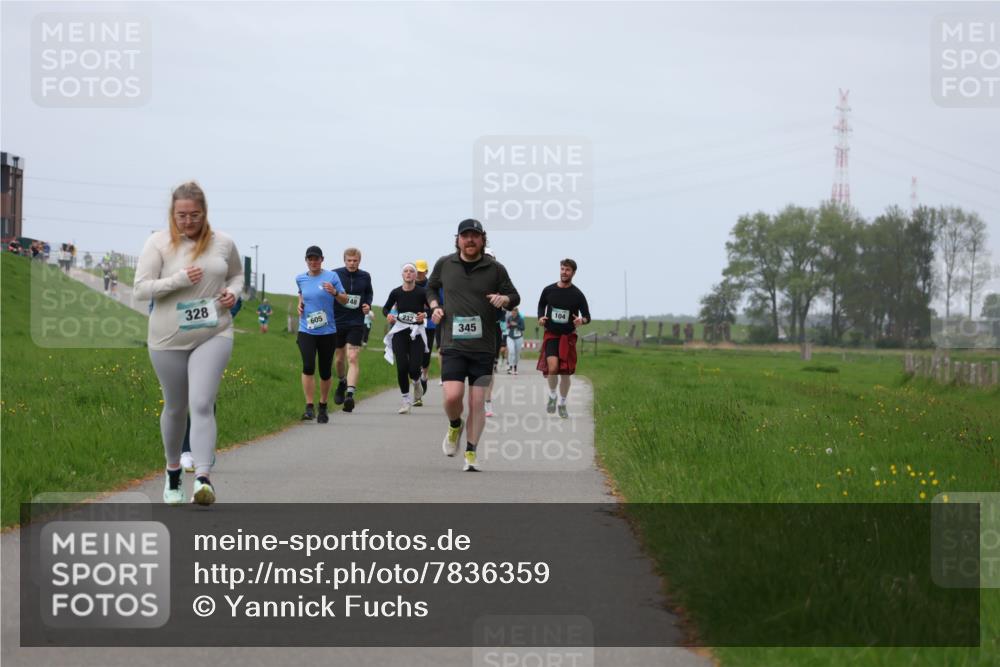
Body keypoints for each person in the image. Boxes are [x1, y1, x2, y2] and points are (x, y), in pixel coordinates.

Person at [133, 181, 243, 506]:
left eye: (194, 215)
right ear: (173, 213)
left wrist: (233, 293)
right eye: (182, 215)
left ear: (204, 212)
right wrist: (178, 280)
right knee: (176, 407)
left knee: (202, 403)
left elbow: (236, 275)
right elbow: (140, 289)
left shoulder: (224, 242)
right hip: (167, 337)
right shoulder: (158, 243)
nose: (188, 221)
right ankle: (172, 471)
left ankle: (203, 478)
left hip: (214, 331)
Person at [427, 219, 519, 471]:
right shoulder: (445, 264)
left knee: (477, 402)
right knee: (453, 396)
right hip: (454, 343)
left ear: (482, 239)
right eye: (465, 236)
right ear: (457, 239)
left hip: (483, 347)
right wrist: (435, 307)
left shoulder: (495, 269)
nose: (470, 240)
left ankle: (470, 453)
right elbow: (431, 287)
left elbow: (515, 296)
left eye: (475, 236)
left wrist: (504, 299)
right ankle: (454, 424)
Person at [296, 245, 348, 424]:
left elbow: (345, 298)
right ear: (306, 260)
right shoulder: (300, 278)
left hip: (327, 331)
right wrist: (300, 304)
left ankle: (323, 406)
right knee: (308, 365)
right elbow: (302, 295)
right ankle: (309, 407)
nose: (313, 262)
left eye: (316, 259)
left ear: (322, 260)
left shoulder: (331, 277)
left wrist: (334, 292)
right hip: (306, 329)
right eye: (310, 259)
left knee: (325, 371)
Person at [536, 258, 592, 419]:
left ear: (573, 273)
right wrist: (541, 317)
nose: (564, 272)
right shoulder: (549, 290)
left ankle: (562, 402)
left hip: (567, 338)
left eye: (567, 270)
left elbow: (587, 316)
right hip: (552, 335)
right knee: (552, 368)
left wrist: (582, 320)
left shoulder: (577, 294)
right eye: (562, 269)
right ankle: (553, 395)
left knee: (566, 374)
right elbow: (541, 305)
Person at [382, 263, 430, 414]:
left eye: (411, 271)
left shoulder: (422, 292)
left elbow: (434, 307)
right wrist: (388, 315)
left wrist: (425, 315)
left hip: (417, 332)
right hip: (400, 331)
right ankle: (405, 401)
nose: (408, 273)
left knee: (414, 368)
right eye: (406, 271)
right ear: (402, 275)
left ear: (416, 276)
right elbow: (385, 308)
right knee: (402, 367)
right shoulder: (396, 292)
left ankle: (416, 382)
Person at [332, 247, 374, 413]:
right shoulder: (335, 275)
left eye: (355, 260)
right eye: (349, 260)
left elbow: (369, 293)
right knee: (339, 360)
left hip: (356, 322)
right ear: (344, 261)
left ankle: (350, 394)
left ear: (359, 261)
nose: (352, 263)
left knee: (353, 356)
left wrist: (367, 305)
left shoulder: (365, 276)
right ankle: (342, 381)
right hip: (337, 322)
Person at [414, 259, 435, 397]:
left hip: (429, 325)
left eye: (421, 272)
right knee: (414, 353)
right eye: (417, 272)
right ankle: (416, 379)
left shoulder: (432, 286)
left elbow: (437, 304)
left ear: (426, 272)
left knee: (426, 356)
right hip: (412, 324)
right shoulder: (409, 285)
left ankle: (424, 376)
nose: (419, 274)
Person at [506, 306, 525, 374]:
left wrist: (516, 325)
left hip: (518, 337)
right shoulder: (509, 318)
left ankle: (515, 367)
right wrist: (509, 325)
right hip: (510, 337)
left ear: (517, 312)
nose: (513, 312)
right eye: (512, 311)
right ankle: (510, 367)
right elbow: (507, 326)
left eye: (515, 311)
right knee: (511, 351)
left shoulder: (520, 319)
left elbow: (523, 328)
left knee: (517, 354)